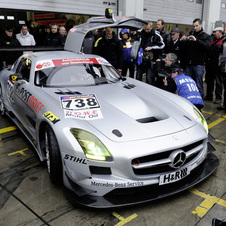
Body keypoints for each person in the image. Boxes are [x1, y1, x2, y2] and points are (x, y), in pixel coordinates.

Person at [180, 18, 211, 100]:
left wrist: (196, 40)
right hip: (189, 64)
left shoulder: (206, 36)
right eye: (194, 26)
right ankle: (189, 100)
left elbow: (207, 47)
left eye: (197, 26)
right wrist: (183, 41)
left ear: (201, 25)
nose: (195, 28)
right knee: (189, 84)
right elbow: (185, 50)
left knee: (199, 85)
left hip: (198, 65)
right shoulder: (190, 34)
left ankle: (199, 103)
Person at [205, 27, 226, 104]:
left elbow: (223, 55)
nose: (214, 33)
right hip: (210, 65)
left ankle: (218, 98)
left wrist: (221, 65)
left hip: (218, 66)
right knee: (209, 81)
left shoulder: (224, 41)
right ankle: (209, 96)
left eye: (215, 32)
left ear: (220, 32)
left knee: (218, 82)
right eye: (213, 32)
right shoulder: (212, 40)